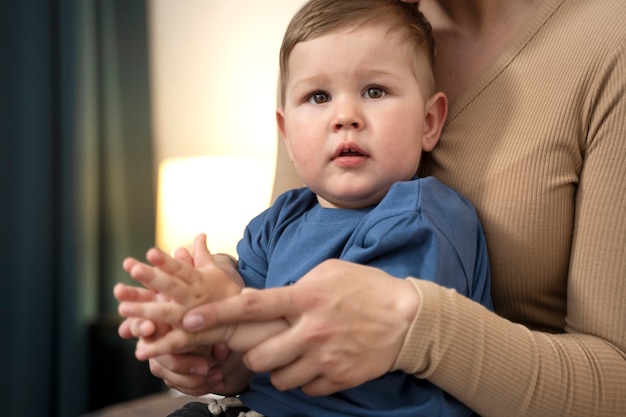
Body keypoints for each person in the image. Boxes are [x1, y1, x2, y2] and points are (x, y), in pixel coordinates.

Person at [124, 0, 626, 416]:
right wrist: (202, 330)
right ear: (286, 131)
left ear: (431, 121)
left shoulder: (422, 217)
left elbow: (359, 342)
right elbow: (247, 352)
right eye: (318, 97)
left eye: (374, 92)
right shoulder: (280, 220)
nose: (344, 116)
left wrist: (236, 323)